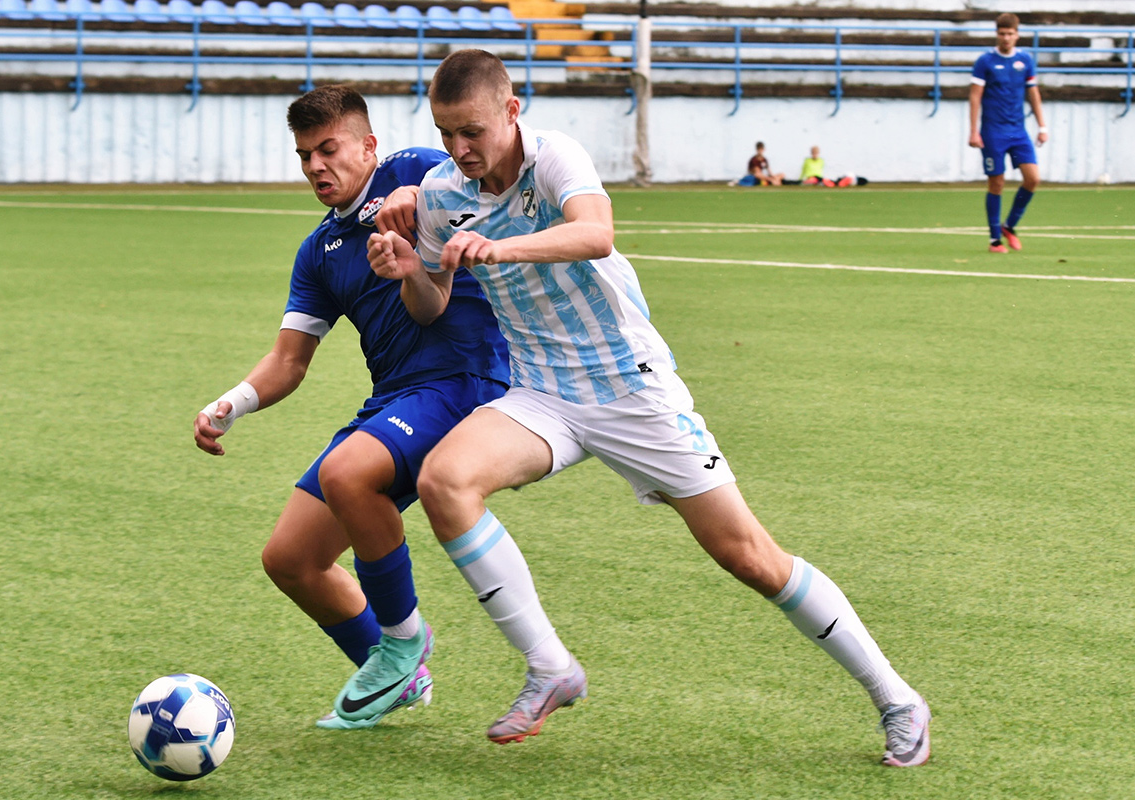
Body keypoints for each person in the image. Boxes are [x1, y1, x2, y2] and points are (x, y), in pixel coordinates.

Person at [366, 49, 930, 766]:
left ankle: (898, 698)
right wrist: (414, 270)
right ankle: (550, 668)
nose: (459, 149)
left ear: (512, 111)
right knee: (445, 480)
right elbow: (430, 307)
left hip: (631, 389)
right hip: (542, 392)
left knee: (749, 556)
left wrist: (505, 250)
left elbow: (596, 232)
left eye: (472, 130)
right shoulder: (444, 194)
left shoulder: (554, 158)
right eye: (447, 133)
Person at [192, 85, 509, 730]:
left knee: (346, 473)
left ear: (368, 146)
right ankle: (397, 674)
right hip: (397, 397)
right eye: (305, 155)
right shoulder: (319, 251)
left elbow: (490, 181)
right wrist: (234, 401)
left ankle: (403, 639)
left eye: (328, 149)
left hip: (465, 379)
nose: (315, 166)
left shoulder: (419, 168)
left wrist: (422, 196)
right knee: (291, 559)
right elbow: (289, 360)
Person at [970, 12, 1047, 253]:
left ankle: (1009, 225)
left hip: (1018, 130)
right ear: (997, 34)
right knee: (997, 183)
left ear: (1017, 35)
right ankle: (995, 239)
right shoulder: (985, 62)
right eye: (1002, 34)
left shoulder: (1025, 60)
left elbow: (1033, 93)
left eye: (1010, 34)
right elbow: (975, 96)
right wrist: (974, 131)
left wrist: (1042, 126)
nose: (1006, 38)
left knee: (1033, 178)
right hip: (993, 131)